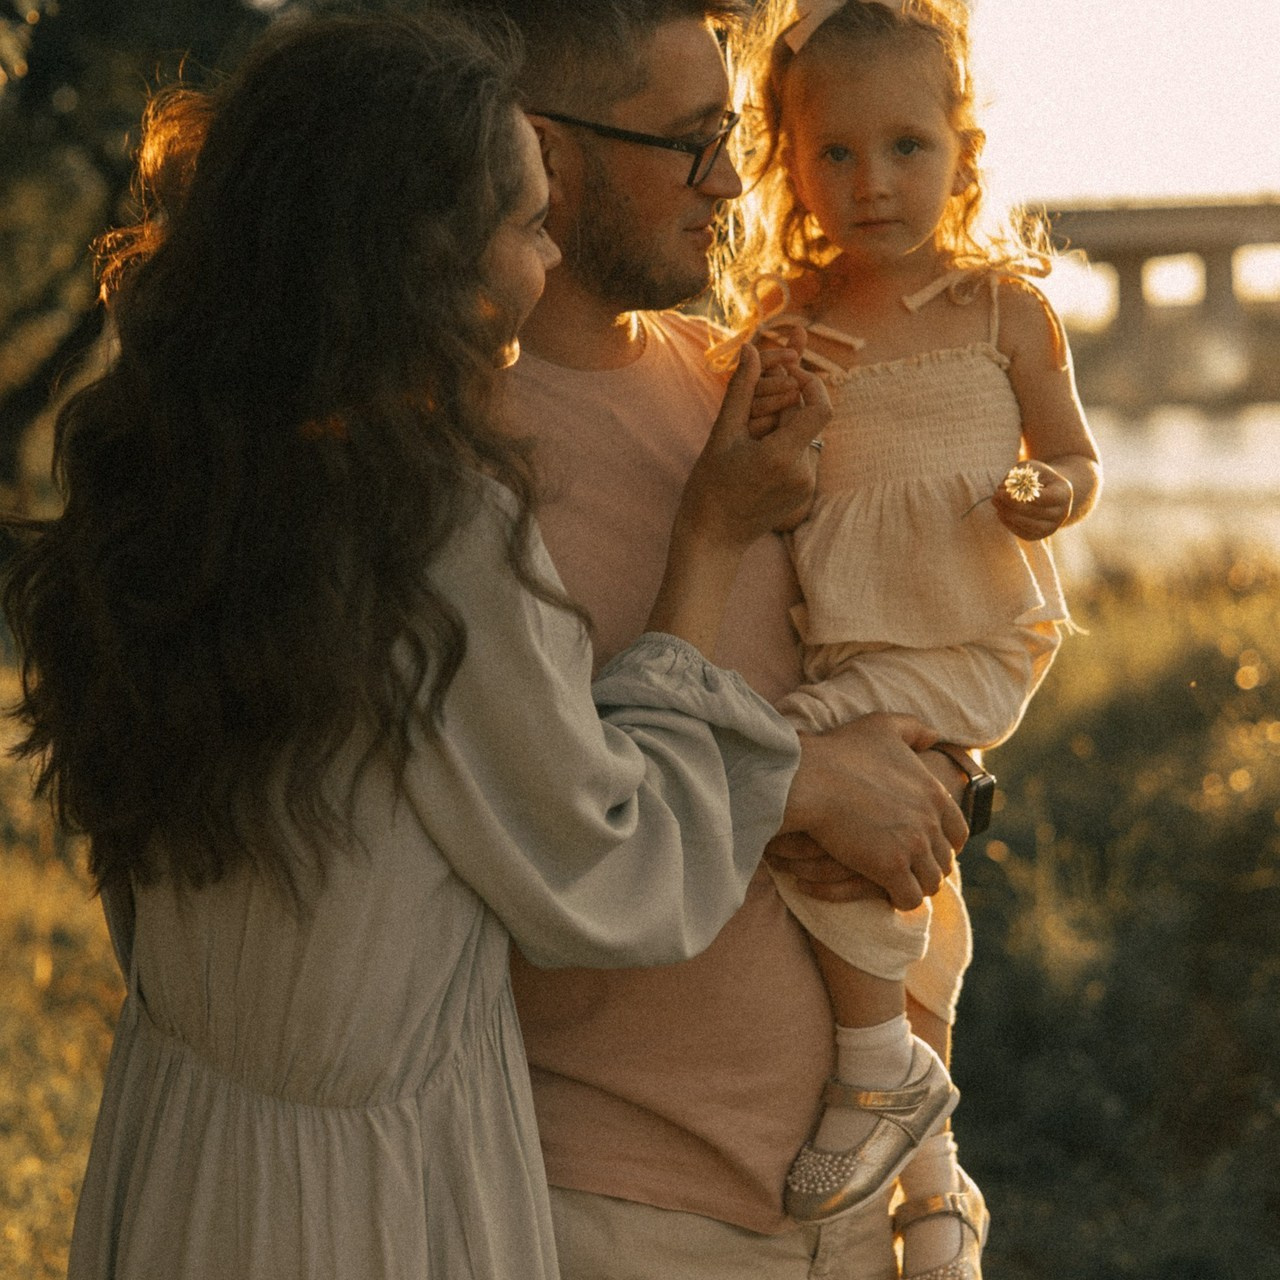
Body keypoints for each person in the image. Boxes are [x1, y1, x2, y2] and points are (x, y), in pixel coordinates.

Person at [2, 13, 836, 1279]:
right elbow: (606, 864)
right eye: (524, 221)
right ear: (415, 255)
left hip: (178, 1148)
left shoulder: (174, 477)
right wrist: (709, 541)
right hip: (369, 1196)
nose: (549, 258)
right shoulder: (432, 516)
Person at [439, 2, 974, 1277]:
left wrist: (934, 769)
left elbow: (887, 697)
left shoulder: (748, 376)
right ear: (542, 153)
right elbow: (535, 835)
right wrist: (802, 782)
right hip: (613, 1208)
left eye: (729, 132)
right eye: (688, 140)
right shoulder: (451, 458)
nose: (733, 179)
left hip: (853, 1197)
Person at [719, 0, 1102, 1273]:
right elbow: (760, 492)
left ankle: (879, 1066)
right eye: (834, 153)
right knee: (885, 857)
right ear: (787, 159)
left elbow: (1071, 454)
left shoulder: (1000, 309)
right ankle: (932, 1193)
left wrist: (1046, 492)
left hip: (964, 628)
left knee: (768, 772)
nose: (871, 182)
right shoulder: (785, 319)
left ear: (961, 150)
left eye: (905, 149)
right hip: (852, 643)